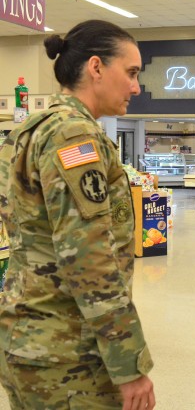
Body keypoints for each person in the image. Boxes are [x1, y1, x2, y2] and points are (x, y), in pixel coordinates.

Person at [0, 20, 155, 409]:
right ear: (96, 67)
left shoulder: (28, 130)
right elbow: (89, 260)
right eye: (131, 72)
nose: (136, 87)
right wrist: (127, 362)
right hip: (69, 356)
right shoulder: (74, 136)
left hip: (28, 339)